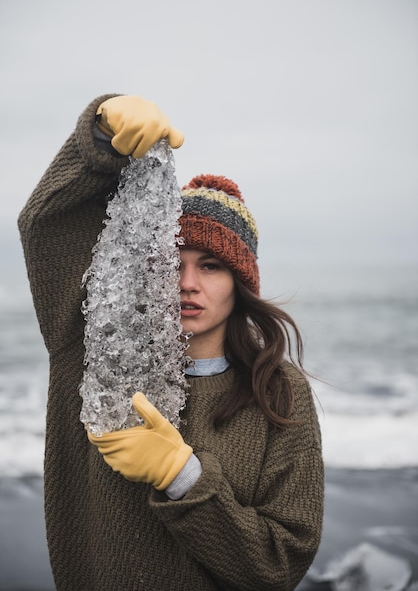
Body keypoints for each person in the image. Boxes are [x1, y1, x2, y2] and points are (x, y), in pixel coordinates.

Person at [18, 94, 324, 591]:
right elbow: (44, 223)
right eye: (172, 260)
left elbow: (279, 566)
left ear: (240, 282)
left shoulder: (279, 390)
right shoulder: (92, 351)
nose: (186, 282)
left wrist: (183, 476)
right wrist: (99, 138)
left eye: (210, 266)